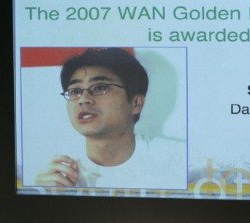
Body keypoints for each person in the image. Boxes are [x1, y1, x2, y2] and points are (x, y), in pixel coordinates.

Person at [34, 48, 186, 189]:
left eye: (100, 87)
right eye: (75, 91)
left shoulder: (179, 162)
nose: (83, 99)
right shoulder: (53, 172)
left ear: (136, 103)